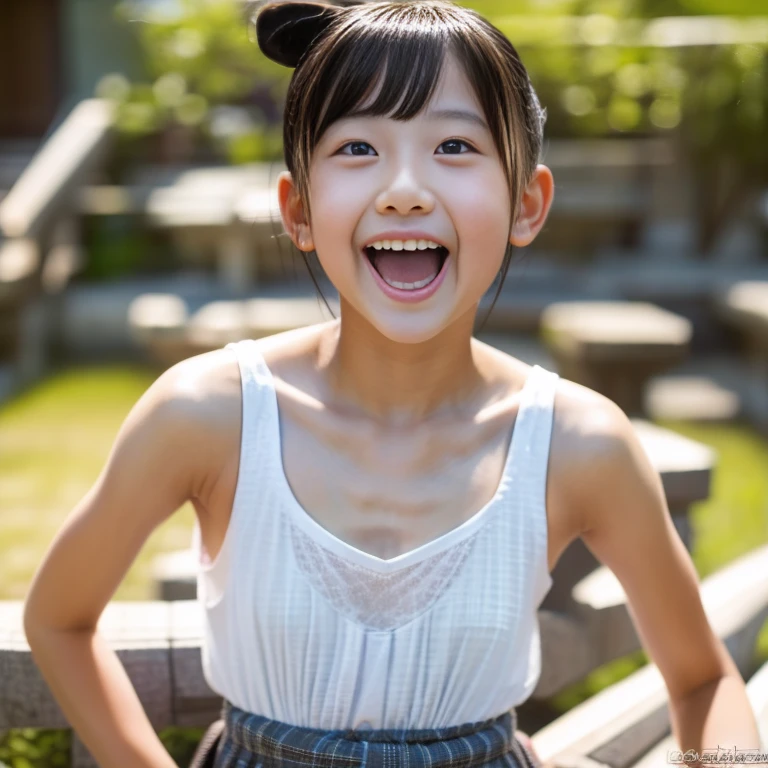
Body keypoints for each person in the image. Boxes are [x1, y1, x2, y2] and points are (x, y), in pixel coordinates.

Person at [22, 0, 762, 766]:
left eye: (452, 144)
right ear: (299, 209)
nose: (403, 189)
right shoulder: (210, 415)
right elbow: (60, 618)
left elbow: (704, 681)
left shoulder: (578, 443)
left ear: (528, 203)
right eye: (356, 148)